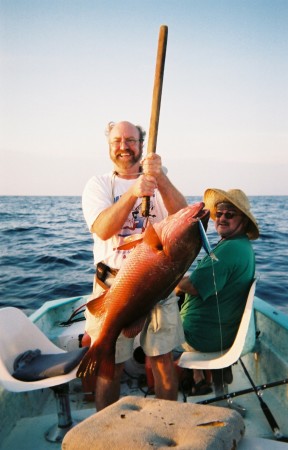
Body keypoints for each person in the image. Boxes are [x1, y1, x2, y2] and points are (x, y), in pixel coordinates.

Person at [82, 120, 187, 411]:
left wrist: (160, 180)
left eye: (131, 140)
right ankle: (106, 430)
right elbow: (102, 229)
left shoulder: (159, 181)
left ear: (142, 145)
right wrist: (132, 192)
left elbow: (184, 220)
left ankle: (168, 424)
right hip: (112, 287)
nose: (124, 146)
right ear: (109, 146)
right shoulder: (99, 185)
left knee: (163, 363)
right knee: (110, 367)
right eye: (117, 140)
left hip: (157, 287)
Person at [175, 188, 259, 396]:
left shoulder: (229, 250)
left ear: (244, 221)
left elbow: (194, 286)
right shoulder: (238, 245)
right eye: (219, 213)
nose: (221, 218)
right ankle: (198, 376)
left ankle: (163, 385)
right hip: (218, 330)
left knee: (151, 326)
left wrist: (173, 280)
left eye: (230, 214)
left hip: (203, 338)